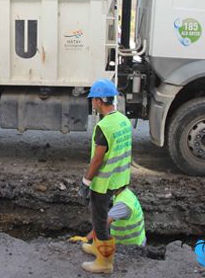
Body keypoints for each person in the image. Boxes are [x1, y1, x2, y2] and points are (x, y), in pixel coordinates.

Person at [77, 78, 132, 274]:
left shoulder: (104, 126)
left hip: (103, 183)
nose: (92, 102)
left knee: (100, 221)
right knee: (99, 215)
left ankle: (105, 263)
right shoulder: (123, 121)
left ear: (99, 101)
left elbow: (97, 160)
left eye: (93, 99)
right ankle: (96, 247)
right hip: (119, 180)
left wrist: (85, 182)